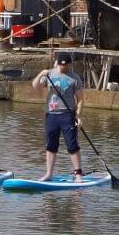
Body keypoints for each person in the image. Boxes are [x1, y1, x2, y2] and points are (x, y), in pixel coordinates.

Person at [32, 52, 84, 182]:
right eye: (61, 66)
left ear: (70, 64)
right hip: (51, 114)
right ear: (58, 64)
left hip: (67, 114)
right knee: (51, 145)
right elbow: (35, 86)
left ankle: (78, 174)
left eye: (66, 66)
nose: (63, 68)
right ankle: (49, 174)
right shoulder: (50, 74)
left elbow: (81, 99)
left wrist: (78, 116)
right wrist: (41, 74)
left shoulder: (75, 78)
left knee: (72, 145)